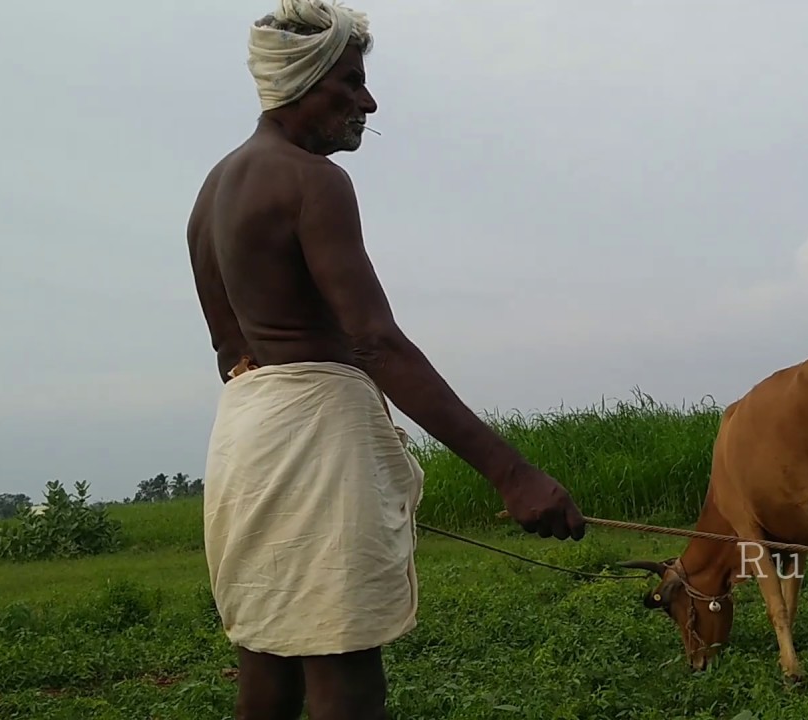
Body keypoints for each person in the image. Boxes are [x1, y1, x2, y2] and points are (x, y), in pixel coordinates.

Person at [185, 1, 587, 718]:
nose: (367, 101)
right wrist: (514, 474)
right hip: (314, 443)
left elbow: (232, 353)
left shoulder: (210, 194)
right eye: (349, 83)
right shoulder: (315, 182)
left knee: (269, 661)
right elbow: (376, 342)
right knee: (345, 667)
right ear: (304, 85)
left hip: (245, 442)